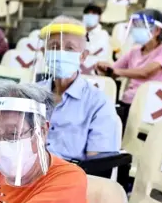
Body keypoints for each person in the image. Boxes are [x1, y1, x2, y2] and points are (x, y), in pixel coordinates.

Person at [40, 16, 120, 160]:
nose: (60, 53)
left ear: (83, 56)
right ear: (44, 52)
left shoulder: (99, 104)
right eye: (53, 47)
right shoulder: (29, 96)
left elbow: (99, 166)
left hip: (69, 179)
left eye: (70, 48)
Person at [95, 9, 162, 116]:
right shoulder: (134, 52)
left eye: (142, 26)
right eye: (135, 26)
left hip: (157, 104)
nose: (136, 30)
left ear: (157, 30)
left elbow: (145, 73)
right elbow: (113, 71)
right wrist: (104, 68)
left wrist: (116, 71)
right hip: (130, 102)